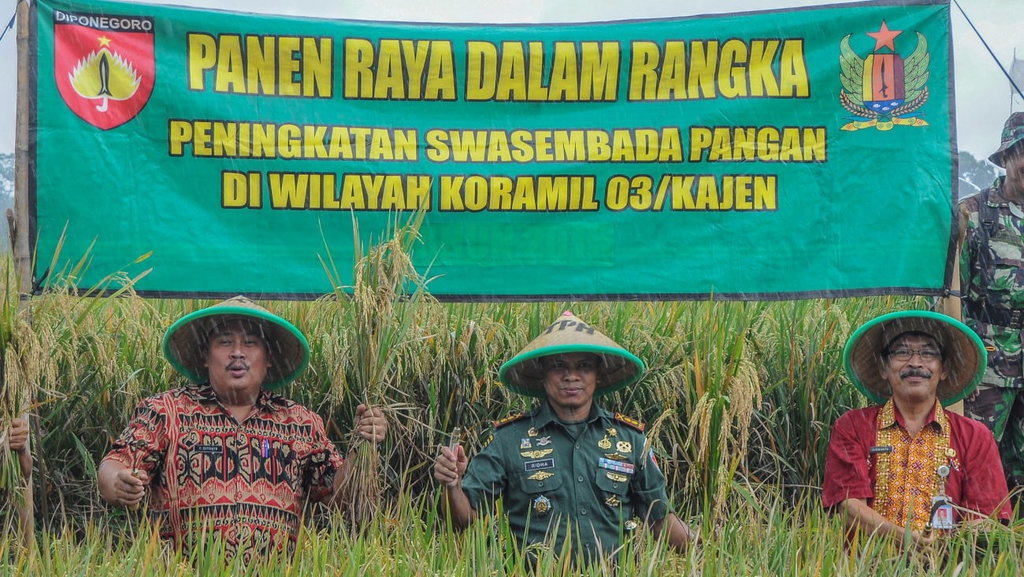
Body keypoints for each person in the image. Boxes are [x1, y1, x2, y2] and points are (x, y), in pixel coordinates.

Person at [98, 296, 387, 563]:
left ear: (268, 358)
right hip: (180, 569)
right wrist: (118, 484)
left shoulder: (300, 422)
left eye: (250, 343)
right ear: (206, 357)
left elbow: (341, 496)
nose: (237, 353)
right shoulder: (166, 411)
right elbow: (117, 464)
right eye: (224, 343)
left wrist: (364, 444)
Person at [433, 311, 695, 564]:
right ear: (542, 374)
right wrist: (452, 484)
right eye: (559, 366)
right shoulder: (509, 439)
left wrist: (712, 549)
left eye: (583, 366)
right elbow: (463, 520)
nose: (571, 376)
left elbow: (660, 520)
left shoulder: (631, 439)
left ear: (598, 374)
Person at [823, 311, 1012, 549]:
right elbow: (848, 507)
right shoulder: (853, 426)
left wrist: (941, 546)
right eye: (902, 352)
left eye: (928, 353)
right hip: (866, 566)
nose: (915, 362)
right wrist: (906, 538)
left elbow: (987, 518)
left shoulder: (975, 435)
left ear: (943, 369)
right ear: (884, 367)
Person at [958, 111, 1024, 500]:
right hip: (987, 362)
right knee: (977, 458)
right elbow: (949, 295)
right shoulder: (973, 213)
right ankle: (972, 542)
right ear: (1007, 157)